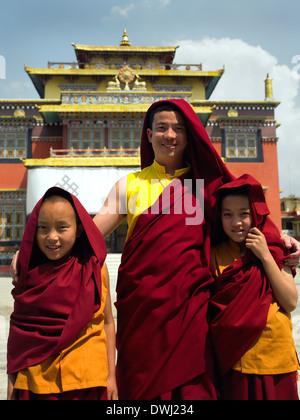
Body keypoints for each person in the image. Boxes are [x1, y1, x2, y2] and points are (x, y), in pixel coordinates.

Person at [10, 99, 300, 400]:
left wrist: (282, 241)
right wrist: (30, 252)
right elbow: (88, 236)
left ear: (189, 136)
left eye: (178, 129)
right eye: (161, 128)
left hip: (190, 312)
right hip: (142, 312)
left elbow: (243, 219)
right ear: (148, 135)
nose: (170, 135)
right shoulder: (130, 186)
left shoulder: (203, 187)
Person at [7, 187, 117, 401]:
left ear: (78, 229)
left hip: (88, 378)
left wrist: (111, 377)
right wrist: (11, 387)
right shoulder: (29, 274)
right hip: (37, 381)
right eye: (43, 228)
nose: (52, 237)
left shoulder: (93, 267)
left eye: (62, 227)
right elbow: (20, 335)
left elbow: (107, 323)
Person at [210, 174, 299, 400]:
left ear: (255, 214)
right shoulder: (215, 255)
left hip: (276, 358)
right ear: (219, 217)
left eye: (244, 214)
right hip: (235, 360)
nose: (236, 222)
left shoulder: (276, 249)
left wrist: (266, 255)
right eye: (227, 215)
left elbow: (290, 302)